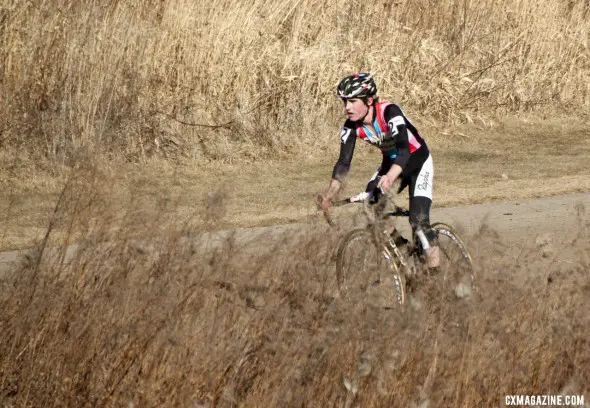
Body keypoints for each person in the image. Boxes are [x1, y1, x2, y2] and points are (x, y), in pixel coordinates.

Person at [319, 72, 440, 268]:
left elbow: (404, 150)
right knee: (372, 207)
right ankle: (405, 252)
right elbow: (343, 162)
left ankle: (435, 275)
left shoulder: (390, 112)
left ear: (369, 100)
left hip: (418, 162)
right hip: (391, 163)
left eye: (352, 101)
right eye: (344, 102)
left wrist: (390, 176)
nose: (347, 107)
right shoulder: (351, 127)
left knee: (418, 222)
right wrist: (330, 194)